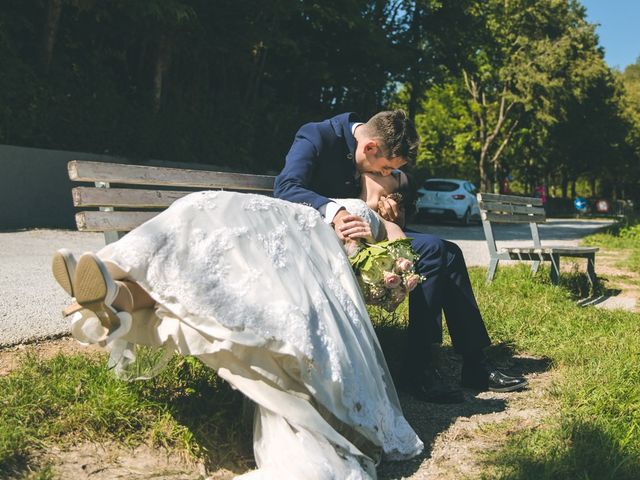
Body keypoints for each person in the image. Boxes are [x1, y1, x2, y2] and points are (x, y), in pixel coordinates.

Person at [52, 173, 423, 479]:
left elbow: (402, 259)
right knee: (208, 231)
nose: (384, 189)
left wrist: (387, 250)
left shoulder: (381, 218)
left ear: (396, 200)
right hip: (291, 233)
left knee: (214, 251)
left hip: (310, 255)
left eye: (393, 190)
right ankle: (112, 288)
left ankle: (117, 292)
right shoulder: (338, 196)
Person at [274, 110, 528, 404]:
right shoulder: (317, 135)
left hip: (367, 234)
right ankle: (419, 369)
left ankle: (474, 363)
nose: (385, 175)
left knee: (450, 252)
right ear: (370, 147)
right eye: (384, 168)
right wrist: (336, 212)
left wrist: (392, 202)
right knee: (433, 250)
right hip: (323, 240)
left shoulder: (370, 148)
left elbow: (394, 189)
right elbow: (287, 187)